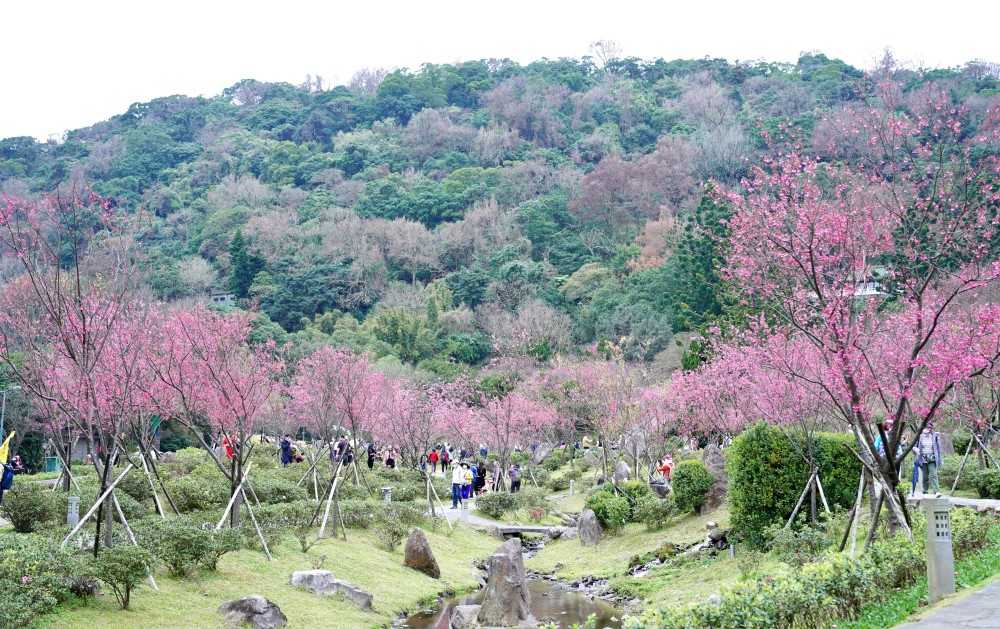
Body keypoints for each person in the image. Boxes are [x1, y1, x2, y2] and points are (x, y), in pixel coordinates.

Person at [915, 422, 943, 496]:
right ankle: (925, 491)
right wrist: (916, 450)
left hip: (931, 457)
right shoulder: (919, 436)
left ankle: (936, 491)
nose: (928, 429)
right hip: (922, 457)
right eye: (927, 427)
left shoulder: (934, 435)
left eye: (929, 428)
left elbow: (938, 448)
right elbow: (914, 446)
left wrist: (940, 459)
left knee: (933, 474)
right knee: (925, 476)